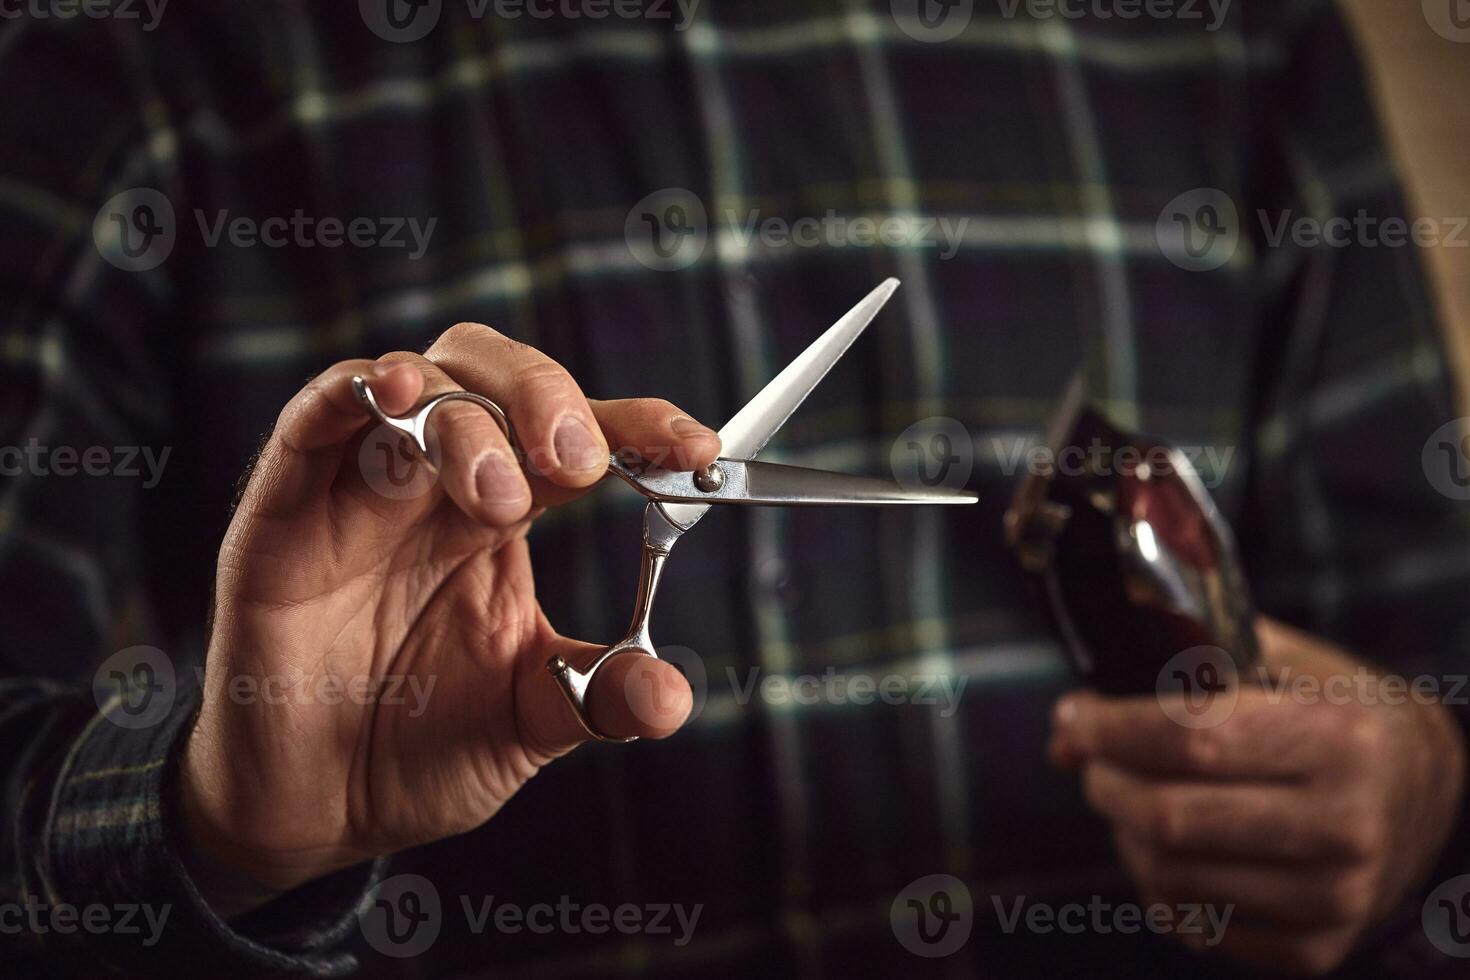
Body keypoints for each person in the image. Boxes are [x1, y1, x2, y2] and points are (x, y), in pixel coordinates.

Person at [3, 2, 1468, 977]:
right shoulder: (135, 46)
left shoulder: (1224, 32)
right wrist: (215, 826)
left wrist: (1412, 785)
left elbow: (1432, 644)